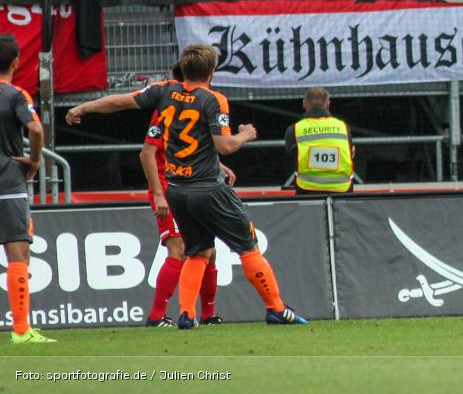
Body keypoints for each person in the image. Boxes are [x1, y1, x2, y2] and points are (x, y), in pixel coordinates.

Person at [67, 44, 309, 328]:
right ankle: (276, 308)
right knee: (248, 246)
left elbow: (120, 101)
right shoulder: (213, 99)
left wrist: (84, 106)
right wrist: (244, 135)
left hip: (178, 190)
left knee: (198, 251)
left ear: (184, 69)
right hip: (208, 188)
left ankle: (186, 315)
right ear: (212, 71)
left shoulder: (164, 90)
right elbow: (225, 145)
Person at [143, 64, 235, 327]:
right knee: (179, 249)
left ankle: (208, 315)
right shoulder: (165, 111)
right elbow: (147, 154)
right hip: (169, 189)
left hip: (192, 186)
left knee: (209, 251)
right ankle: (157, 316)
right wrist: (159, 195)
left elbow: (190, 148)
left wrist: (218, 166)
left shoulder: (196, 108)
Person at [0, 35, 50, 343]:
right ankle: (21, 330)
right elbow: (35, 128)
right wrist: (34, 159)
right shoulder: (15, 95)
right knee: (17, 253)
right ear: (17, 62)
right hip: (7, 182)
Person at [284, 87, 354, 195]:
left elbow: (292, 154)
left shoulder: (294, 129)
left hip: (307, 190)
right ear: (328, 104)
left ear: (304, 103)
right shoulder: (343, 127)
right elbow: (350, 151)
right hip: (342, 189)